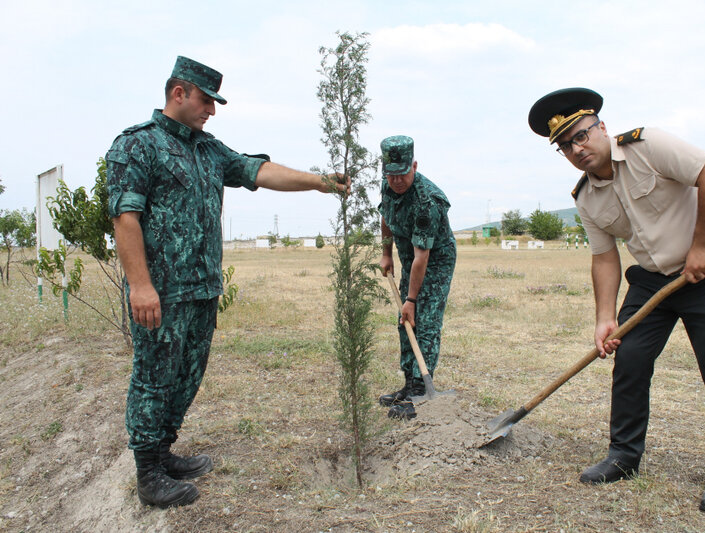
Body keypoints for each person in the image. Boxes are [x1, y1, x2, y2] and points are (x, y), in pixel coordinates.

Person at [106, 56, 348, 509]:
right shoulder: (138, 146)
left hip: (201, 290)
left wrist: (321, 182)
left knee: (187, 375)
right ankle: (147, 473)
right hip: (161, 292)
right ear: (179, 92)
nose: (211, 111)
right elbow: (125, 217)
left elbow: (259, 171)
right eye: (205, 100)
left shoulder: (208, 150)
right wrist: (140, 285)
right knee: (153, 378)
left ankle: (163, 452)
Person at [528, 88, 705, 513]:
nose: (577, 149)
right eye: (565, 146)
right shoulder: (586, 197)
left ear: (602, 128)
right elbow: (604, 257)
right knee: (628, 363)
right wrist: (604, 318)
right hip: (651, 282)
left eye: (580, 136)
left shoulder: (649, 145)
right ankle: (623, 456)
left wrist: (702, 245)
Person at [377, 136, 456, 420]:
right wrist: (386, 253)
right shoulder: (388, 184)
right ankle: (409, 385)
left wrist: (411, 299)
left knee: (424, 321)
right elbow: (386, 216)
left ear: (415, 165)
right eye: (391, 174)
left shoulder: (427, 201)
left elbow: (423, 257)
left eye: (403, 173)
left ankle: (422, 391)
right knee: (404, 321)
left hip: (434, 260)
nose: (397, 181)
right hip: (410, 256)